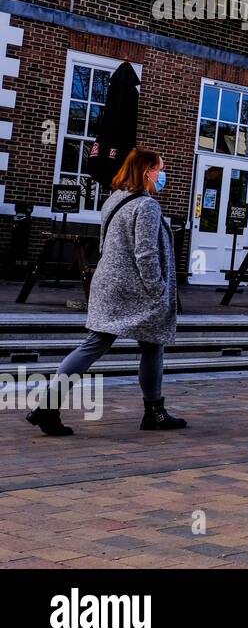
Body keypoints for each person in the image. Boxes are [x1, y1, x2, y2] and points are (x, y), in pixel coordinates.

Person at [26, 148, 186, 436]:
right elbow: (146, 253)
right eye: (161, 169)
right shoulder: (146, 206)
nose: (163, 175)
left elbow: (107, 244)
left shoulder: (115, 199)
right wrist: (159, 290)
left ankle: (48, 407)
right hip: (134, 288)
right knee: (139, 343)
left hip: (109, 283)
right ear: (147, 170)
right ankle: (153, 412)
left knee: (108, 344)